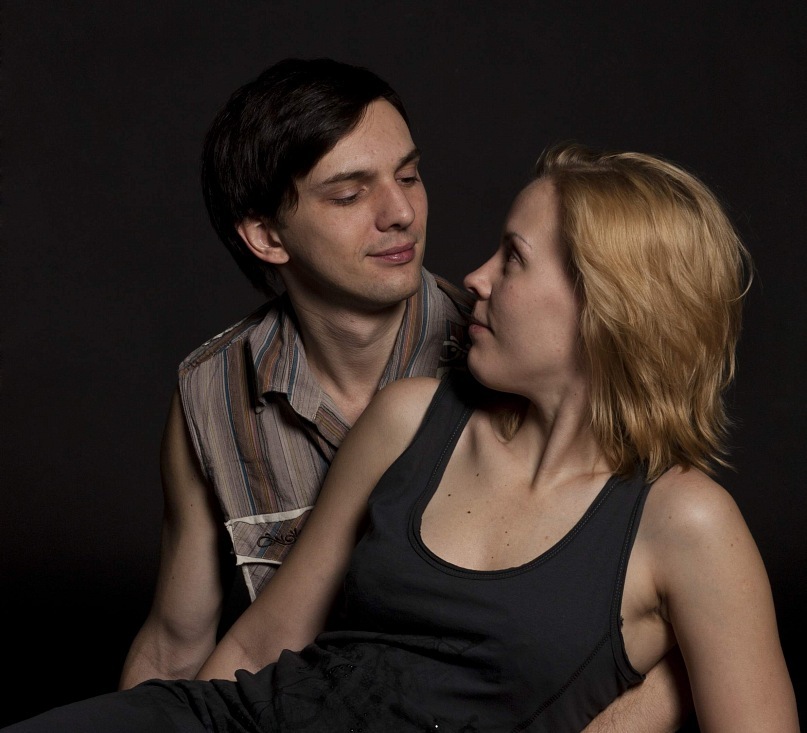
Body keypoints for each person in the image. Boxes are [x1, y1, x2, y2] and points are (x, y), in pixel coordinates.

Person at [4, 140, 794, 731]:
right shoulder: (408, 418)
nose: (474, 277)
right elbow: (263, 639)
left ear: (607, 308)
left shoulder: (685, 523)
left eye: (512, 259)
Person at [108, 57, 686, 730]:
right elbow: (176, 642)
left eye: (408, 176)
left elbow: (676, 599)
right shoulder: (211, 392)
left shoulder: (519, 354)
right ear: (266, 235)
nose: (401, 213)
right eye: (349, 195)